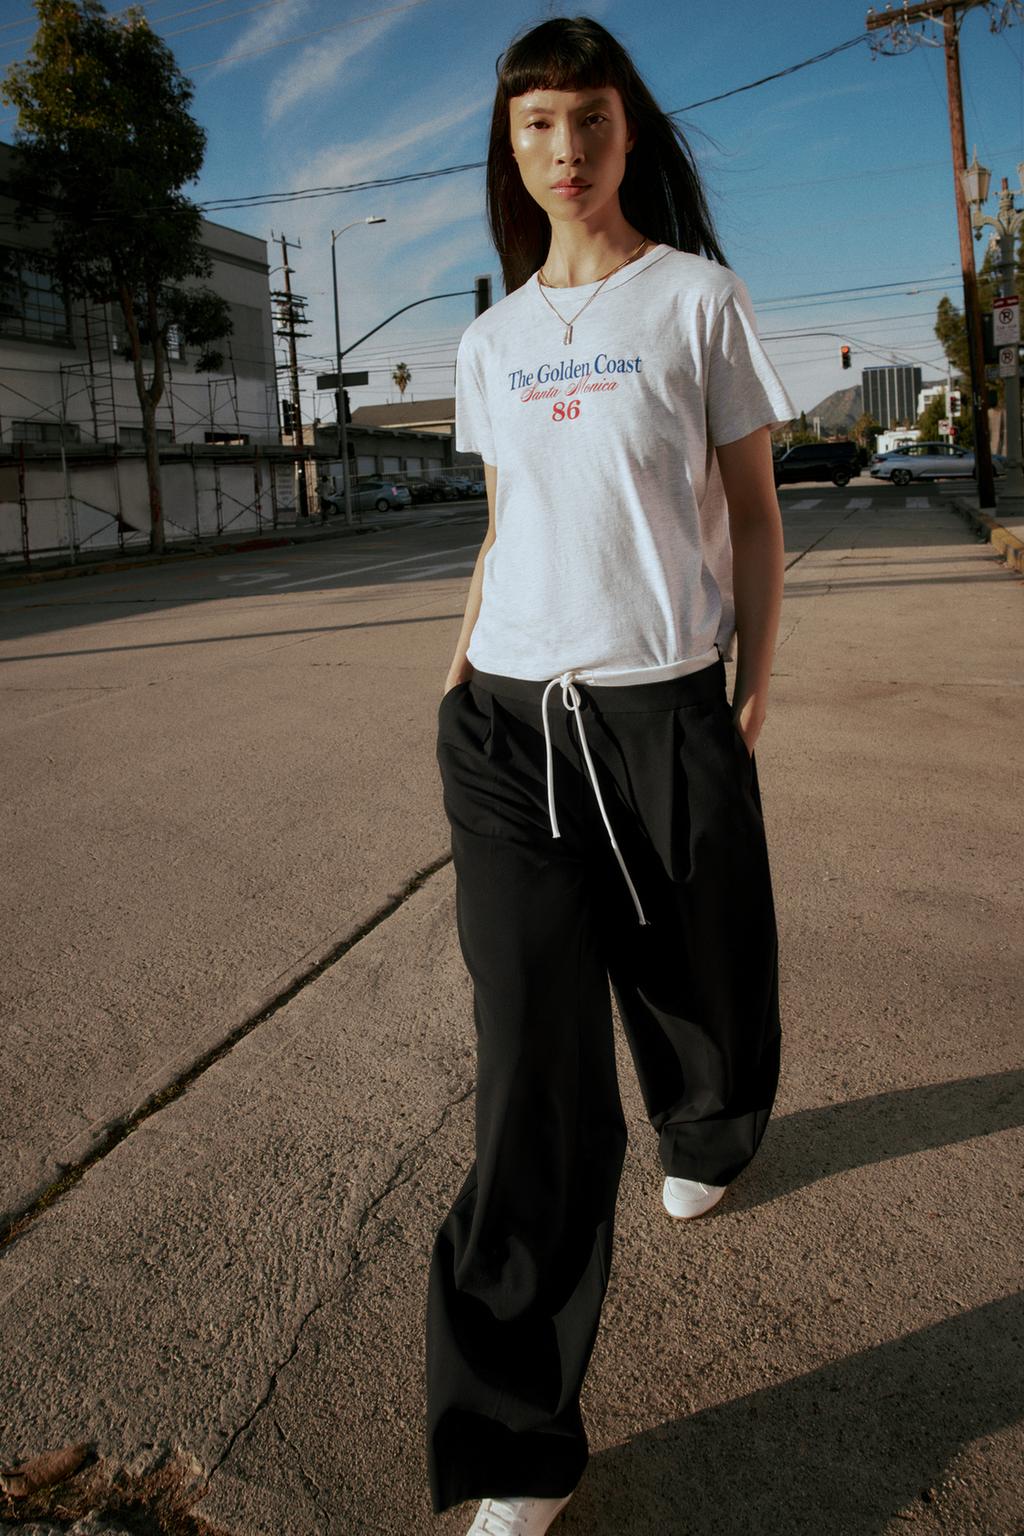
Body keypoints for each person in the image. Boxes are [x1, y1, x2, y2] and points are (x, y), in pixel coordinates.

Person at [425, 15, 796, 1535]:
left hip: (664, 712)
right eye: (535, 125)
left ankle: (708, 1125)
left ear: (629, 131)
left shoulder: (697, 301)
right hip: (507, 729)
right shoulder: (490, 340)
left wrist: (752, 681)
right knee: (532, 1061)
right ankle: (517, 1439)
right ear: (508, 148)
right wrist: (458, 667)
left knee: (702, 977)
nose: (564, 149)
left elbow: (754, 513)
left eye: (588, 119)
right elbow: (503, 524)